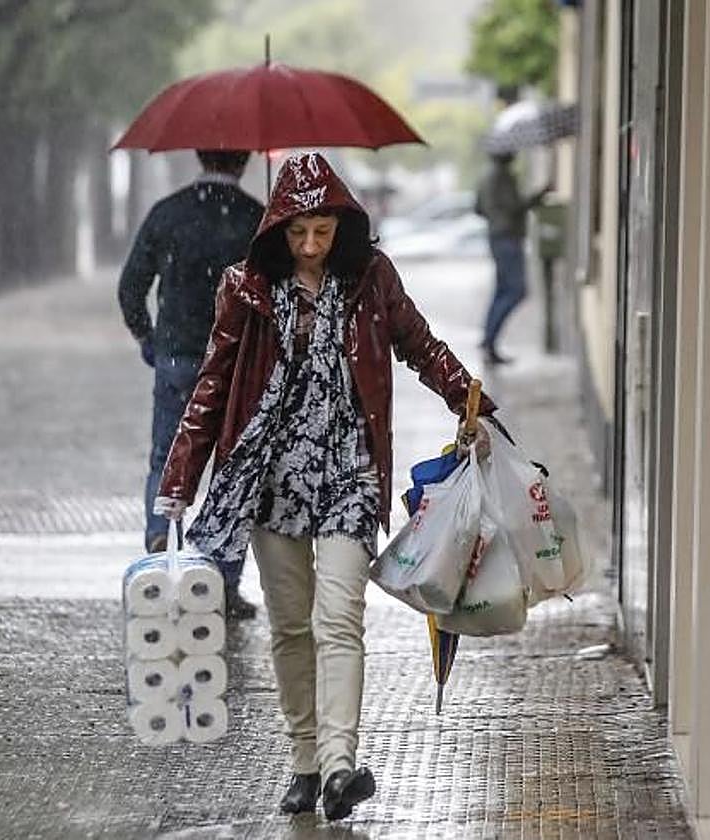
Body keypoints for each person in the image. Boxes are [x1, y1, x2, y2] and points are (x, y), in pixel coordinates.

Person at [152, 152, 500, 821]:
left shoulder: (371, 277)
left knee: (338, 619)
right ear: (278, 230)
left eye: (323, 231)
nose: (312, 246)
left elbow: (419, 344)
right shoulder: (244, 288)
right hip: (271, 477)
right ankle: (304, 762)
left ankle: (342, 765)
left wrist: (470, 398)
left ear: (341, 223)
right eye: (298, 233)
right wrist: (180, 478)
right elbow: (212, 385)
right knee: (290, 626)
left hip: (349, 470)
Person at [118, 149, 264, 619]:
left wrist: (149, 338)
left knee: (167, 456)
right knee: (231, 469)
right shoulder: (256, 221)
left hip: (177, 357)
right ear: (243, 164)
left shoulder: (168, 212)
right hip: (235, 363)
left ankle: (160, 555)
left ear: (199, 157)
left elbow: (130, 287)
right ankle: (220, 579)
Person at [475, 152, 550, 365]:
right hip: (507, 237)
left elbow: (478, 208)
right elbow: (514, 207)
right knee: (516, 290)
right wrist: (538, 196)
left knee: (502, 290)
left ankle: (489, 342)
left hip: (496, 236)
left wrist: (494, 214)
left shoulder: (486, 175)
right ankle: (489, 341)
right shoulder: (502, 176)